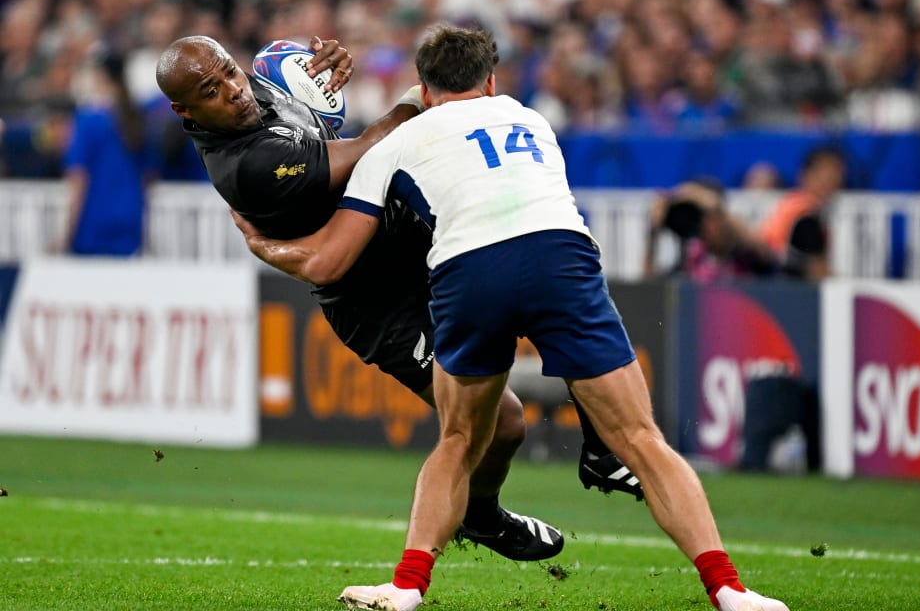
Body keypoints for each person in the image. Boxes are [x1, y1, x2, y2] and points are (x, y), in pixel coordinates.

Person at [231, 25, 789, 611]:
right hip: (560, 257)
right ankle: (728, 589)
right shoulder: (532, 120)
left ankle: (406, 587)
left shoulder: (396, 143)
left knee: (459, 439)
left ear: (423, 88)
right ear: (492, 80)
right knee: (643, 439)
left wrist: (262, 243)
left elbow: (330, 259)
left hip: (469, 272)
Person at [154, 34, 639, 564]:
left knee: (542, 288)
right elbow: (374, 149)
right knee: (504, 424)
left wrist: (332, 69)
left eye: (229, 71)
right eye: (211, 88)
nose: (233, 89)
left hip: (417, 246)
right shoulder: (248, 167)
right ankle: (480, 514)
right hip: (371, 300)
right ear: (185, 110)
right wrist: (423, 95)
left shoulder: (262, 83)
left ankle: (598, 447)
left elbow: (315, 92)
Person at [58, 52, 156, 256]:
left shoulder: (88, 119)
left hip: (93, 219)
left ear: (99, 76)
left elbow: (79, 179)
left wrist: (66, 233)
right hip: (130, 216)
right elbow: (149, 174)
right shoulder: (136, 116)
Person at [643, 176, 777, 282]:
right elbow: (650, 290)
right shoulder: (690, 257)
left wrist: (715, 206)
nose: (703, 224)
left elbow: (764, 252)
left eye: (706, 214)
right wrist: (652, 235)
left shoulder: (743, 254)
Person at [758, 146, 845, 281]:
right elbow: (819, 274)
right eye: (827, 176)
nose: (834, 182)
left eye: (837, 175)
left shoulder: (793, 203)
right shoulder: (805, 214)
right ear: (805, 175)